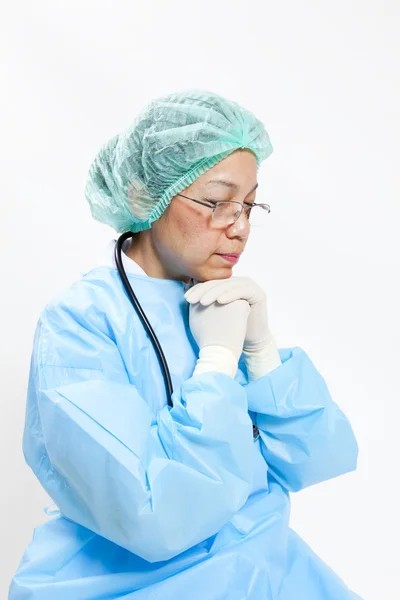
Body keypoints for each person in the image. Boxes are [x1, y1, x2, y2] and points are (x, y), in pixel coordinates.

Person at [9, 89, 363, 599]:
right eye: (218, 203)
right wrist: (216, 366)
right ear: (140, 197)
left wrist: (261, 354)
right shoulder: (83, 322)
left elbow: (316, 460)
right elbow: (152, 513)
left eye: (248, 204)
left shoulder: (214, 303)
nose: (239, 228)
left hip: (265, 569)